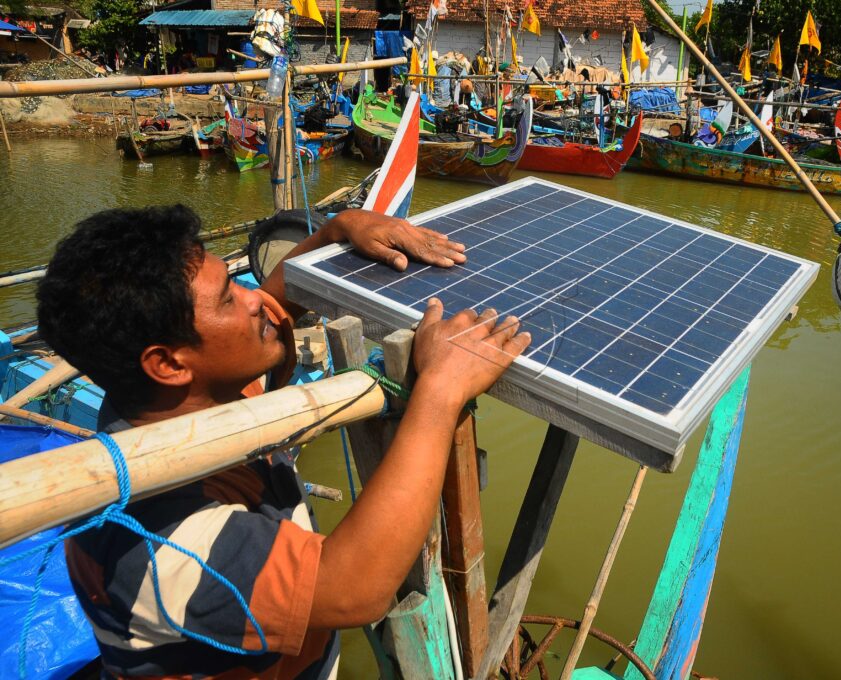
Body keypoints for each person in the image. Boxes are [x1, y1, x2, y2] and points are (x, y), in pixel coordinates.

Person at [36, 205, 531, 678]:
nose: (256, 297)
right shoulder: (156, 542)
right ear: (168, 364)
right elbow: (354, 588)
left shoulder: (186, 400)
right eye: (231, 296)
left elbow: (271, 304)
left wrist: (338, 231)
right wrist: (439, 393)